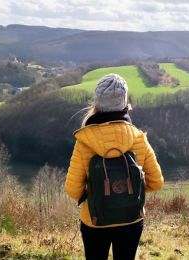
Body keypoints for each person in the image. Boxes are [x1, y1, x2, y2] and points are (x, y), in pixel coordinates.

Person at [65, 73, 164, 260]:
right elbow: (156, 182)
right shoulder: (138, 138)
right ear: (125, 103)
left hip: (95, 220)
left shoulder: (84, 141)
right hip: (131, 218)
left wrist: (96, 193)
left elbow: (72, 189)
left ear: (97, 103)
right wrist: (129, 192)